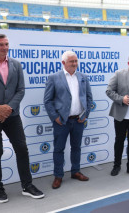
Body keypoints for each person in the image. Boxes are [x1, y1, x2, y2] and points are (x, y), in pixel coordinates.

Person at [0, 34, 44, 203]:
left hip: (12, 115)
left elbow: (20, 90)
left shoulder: (16, 64)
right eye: (1, 44)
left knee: (22, 148)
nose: (5, 47)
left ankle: (27, 185)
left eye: (7, 44)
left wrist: (7, 109)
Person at [44, 50, 93, 189]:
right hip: (62, 122)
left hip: (78, 120)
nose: (75, 63)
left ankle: (75, 171)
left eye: (76, 61)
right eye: (72, 61)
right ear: (63, 63)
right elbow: (47, 100)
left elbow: (89, 98)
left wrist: (85, 115)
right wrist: (55, 117)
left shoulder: (83, 77)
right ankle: (58, 175)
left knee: (76, 147)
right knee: (59, 149)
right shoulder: (54, 77)